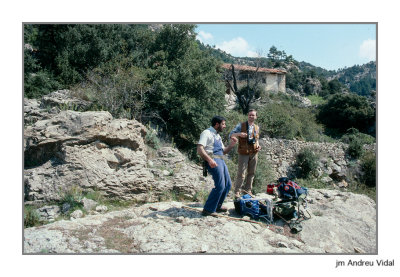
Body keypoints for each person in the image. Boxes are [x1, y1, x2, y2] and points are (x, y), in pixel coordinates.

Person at [197, 115, 238, 216]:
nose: (225, 126)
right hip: (213, 161)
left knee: (228, 185)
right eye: (223, 124)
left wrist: (231, 145)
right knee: (220, 186)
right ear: (216, 124)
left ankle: (217, 206)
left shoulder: (218, 136)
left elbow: (223, 151)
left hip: (221, 161)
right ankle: (208, 209)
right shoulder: (206, 133)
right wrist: (210, 160)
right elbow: (200, 149)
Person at [229, 109, 261, 199]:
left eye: (253, 115)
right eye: (250, 115)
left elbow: (257, 139)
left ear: (256, 117)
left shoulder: (257, 127)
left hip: (254, 153)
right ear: (248, 116)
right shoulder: (241, 125)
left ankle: (248, 191)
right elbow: (231, 135)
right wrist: (239, 134)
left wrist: (258, 146)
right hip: (243, 152)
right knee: (241, 173)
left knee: (251, 173)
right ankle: (237, 192)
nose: (251, 116)